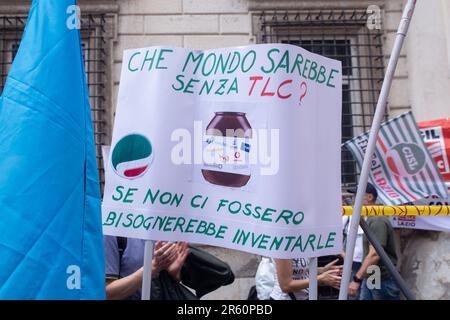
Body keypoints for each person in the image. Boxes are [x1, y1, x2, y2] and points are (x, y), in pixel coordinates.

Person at [347, 183, 401, 300]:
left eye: (356, 195)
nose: (353, 199)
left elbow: (374, 255)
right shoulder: (371, 218)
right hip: (374, 276)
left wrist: (357, 279)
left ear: (370, 197)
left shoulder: (377, 220)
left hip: (381, 279)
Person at [103, 236, 189, 300]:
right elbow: (106, 294)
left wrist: (172, 275)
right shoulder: (112, 233)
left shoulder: (167, 230)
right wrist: (152, 268)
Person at [270, 258, 342, 300]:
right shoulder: (283, 246)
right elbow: (286, 286)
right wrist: (320, 279)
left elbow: (303, 271)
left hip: (305, 296)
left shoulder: (302, 242)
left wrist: (323, 270)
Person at [342, 192, 364, 300]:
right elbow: (335, 237)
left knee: (374, 291)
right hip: (353, 263)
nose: (354, 198)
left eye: (356, 195)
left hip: (373, 265)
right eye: (354, 196)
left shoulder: (376, 215)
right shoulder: (348, 215)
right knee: (353, 294)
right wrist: (344, 255)